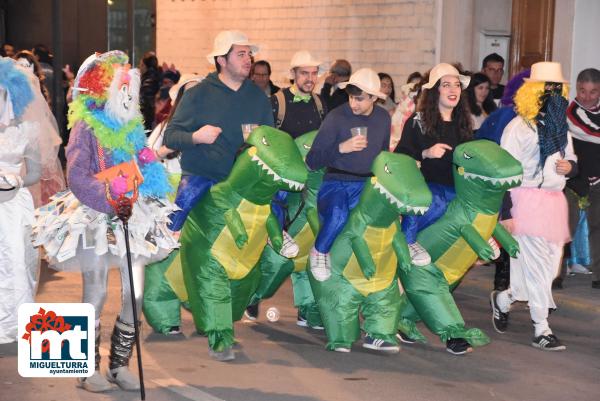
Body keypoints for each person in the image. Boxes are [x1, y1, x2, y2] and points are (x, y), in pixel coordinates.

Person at [32, 51, 178, 391]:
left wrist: (151, 170)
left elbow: (144, 163)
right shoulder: (86, 126)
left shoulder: (130, 125)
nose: (127, 91)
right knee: (95, 294)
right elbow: (78, 176)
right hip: (96, 215)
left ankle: (119, 365)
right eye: (121, 84)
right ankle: (85, 369)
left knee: (136, 294)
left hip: (133, 213)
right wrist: (111, 200)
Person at [491, 61, 577, 351]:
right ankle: (541, 328)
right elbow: (503, 172)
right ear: (534, 91)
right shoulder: (518, 128)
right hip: (524, 200)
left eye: (557, 89)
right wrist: (506, 213)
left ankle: (504, 298)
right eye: (547, 88)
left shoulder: (560, 128)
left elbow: (573, 161)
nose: (552, 94)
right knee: (538, 267)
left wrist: (570, 167)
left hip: (554, 203)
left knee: (547, 270)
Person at [163, 30, 274, 232]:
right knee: (180, 208)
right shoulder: (198, 94)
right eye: (241, 54)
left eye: (249, 54)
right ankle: (161, 240)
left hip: (244, 179)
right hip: (202, 175)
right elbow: (170, 136)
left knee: (276, 203)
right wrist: (196, 137)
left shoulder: (258, 98)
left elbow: (271, 141)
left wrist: (262, 140)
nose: (248, 60)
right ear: (222, 60)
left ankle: (280, 236)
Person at [306, 68, 390, 281]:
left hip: (367, 183)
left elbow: (384, 156)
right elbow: (312, 160)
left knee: (383, 221)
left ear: (373, 98)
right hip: (335, 182)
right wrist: (341, 148)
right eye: (351, 97)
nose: (353, 103)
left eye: (360, 99)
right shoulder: (336, 117)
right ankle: (319, 251)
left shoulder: (383, 118)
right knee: (338, 213)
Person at [0, 57, 60, 344]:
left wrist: (17, 181)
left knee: (16, 261)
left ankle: (12, 327)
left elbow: (35, 172)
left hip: (14, 203)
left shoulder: (28, 129)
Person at [394, 63, 476, 266]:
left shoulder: (464, 123)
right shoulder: (418, 121)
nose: (453, 90)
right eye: (446, 85)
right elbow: (400, 158)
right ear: (435, 91)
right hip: (425, 190)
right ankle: (406, 240)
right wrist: (425, 153)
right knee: (436, 201)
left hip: (455, 190)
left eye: (456, 85)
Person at [565, 68, 600, 288]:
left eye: (593, 92)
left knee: (598, 227)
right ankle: (555, 273)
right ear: (576, 89)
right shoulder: (572, 113)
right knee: (564, 228)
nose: (587, 97)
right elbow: (593, 134)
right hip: (574, 180)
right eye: (582, 91)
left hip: (597, 180)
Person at [271, 50, 327, 138]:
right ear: (293, 74)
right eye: (304, 73)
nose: (310, 79)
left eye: (314, 73)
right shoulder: (276, 102)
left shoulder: (320, 102)